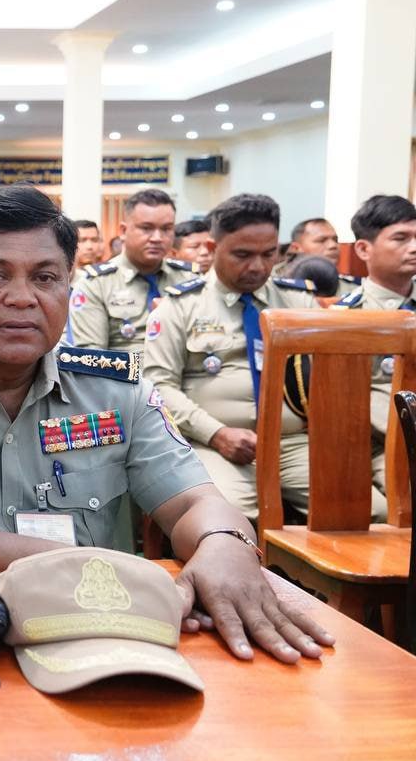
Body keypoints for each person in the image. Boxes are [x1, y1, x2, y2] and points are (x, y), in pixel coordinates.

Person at [0, 185, 334, 666]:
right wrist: (63, 560)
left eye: (45, 277)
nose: (22, 298)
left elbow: (193, 502)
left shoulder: (116, 392)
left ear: (68, 288)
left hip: (99, 636)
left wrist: (225, 542)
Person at [143, 193, 386, 521]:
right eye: (243, 255)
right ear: (214, 248)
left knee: (371, 512)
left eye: (268, 254)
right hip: (212, 443)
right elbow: (159, 386)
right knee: (231, 518)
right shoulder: (180, 307)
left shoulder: (297, 301)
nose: (257, 267)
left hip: (294, 443)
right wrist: (216, 433)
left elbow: (333, 374)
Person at [334, 194, 416, 489]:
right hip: (384, 446)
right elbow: (350, 402)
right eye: (400, 238)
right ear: (363, 249)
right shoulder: (345, 319)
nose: (414, 247)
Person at [69, 189, 200, 351]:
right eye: (146, 228)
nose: (157, 238)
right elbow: (92, 358)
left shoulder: (190, 279)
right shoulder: (95, 284)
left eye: (166, 229)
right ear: (123, 231)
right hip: (124, 367)